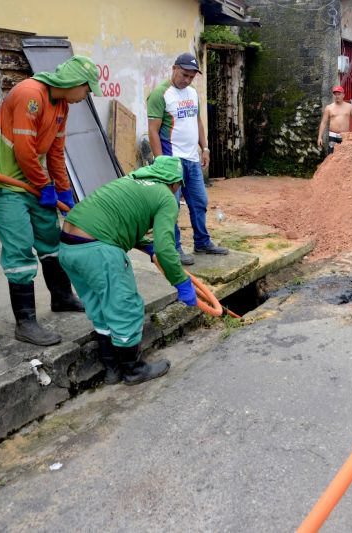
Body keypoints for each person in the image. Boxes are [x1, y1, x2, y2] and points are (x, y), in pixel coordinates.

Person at [0, 55, 101, 346]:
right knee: (20, 248)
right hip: (4, 182)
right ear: (75, 83)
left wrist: (64, 192)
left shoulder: (61, 106)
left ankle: (61, 297)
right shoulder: (29, 94)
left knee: (50, 239)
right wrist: (45, 185)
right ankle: (26, 323)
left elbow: (56, 153)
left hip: (32, 182)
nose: (86, 96)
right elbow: (24, 151)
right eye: (87, 90)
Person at [58, 156, 198, 386]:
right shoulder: (166, 196)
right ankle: (133, 370)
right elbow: (166, 248)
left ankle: (112, 370)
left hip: (67, 248)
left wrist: (144, 243)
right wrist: (181, 282)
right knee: (125, 307)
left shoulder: (130, 182)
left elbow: (121, 219)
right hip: (98, 251)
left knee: (101, 307)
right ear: (175, 183)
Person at [147, 52, 228, 266]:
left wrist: (206, 148)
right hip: (172, 162)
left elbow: (198, 122)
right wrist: (160, 162)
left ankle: (202, 242)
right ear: (174, 68)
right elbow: (153, 131)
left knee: (200, 202)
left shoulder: (192, 93)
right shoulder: (160, 94)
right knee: (170, 207)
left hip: (192, 161)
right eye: (184, 75)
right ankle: (174, 249)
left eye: (192, 77)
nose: (187, 80)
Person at [316, 85, 352, 154]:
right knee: (331, 156)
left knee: (344, 155)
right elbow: (323, 122)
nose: (337, 96)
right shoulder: (329, 108)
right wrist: (319, 137)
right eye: (335, 94)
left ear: (343, 95)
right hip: (332, 136)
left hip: (345, 136)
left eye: (339, 94)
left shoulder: (349, 107)